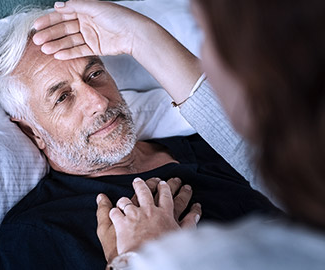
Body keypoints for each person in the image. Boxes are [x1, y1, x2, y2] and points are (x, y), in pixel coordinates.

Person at [32, 0, 325, 269]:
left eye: (95, 74)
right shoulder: (38, 232)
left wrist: (142, 258)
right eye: (61, 97)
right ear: (33, 132)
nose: (98, 102)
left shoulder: (214, 150)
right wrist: (138, 36)